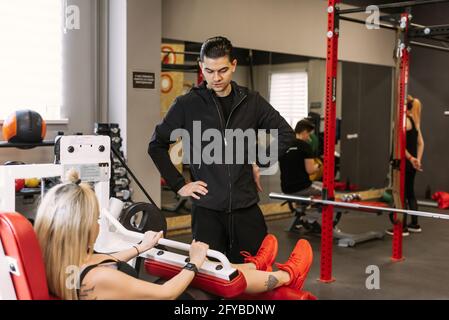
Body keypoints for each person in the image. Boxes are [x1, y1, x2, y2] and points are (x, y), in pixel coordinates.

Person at [33, 170, 313, 300]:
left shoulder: (56, 262)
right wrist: (194, 261)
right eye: (95, 218)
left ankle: (254, 266)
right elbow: (165, 293)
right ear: (80, 229)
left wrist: (141, 247)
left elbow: (100, 259)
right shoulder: (100, 278)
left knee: (194, 270)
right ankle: (288, 276)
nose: (98, 224)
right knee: (210, 283)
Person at [148, 36, 295, 263]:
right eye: (209, 71)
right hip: (207, 212)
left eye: (223, 70)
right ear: (201, 67)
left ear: (234, 66)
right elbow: (156, 146)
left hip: (246, 209)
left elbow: (286, 134)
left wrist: (259, 160)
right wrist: (179, 185)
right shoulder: (187, 105)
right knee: (209, 281)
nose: (216, 78)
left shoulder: (251, 101)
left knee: (253, 274)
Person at [386, 95, 424, 236]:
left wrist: (410, 158)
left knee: (401, 195)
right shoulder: (415, 122)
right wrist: (417, 160)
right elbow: (421, 143)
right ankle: (414, 224)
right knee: (410, 193)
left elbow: (399, 146)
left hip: (403, 163)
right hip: (411, 165)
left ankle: (402, 228)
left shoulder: (404, 121)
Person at [279, 119, 322, 197]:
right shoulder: (305, 146)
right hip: (301, 187)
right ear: (304, 132)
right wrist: (318, 166)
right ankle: (313, 207)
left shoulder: (284, 144)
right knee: (328, 190)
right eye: (309, 134)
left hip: (285, 188)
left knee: (319, 185)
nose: (309, 138)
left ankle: (301, 205)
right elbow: (310, 171)